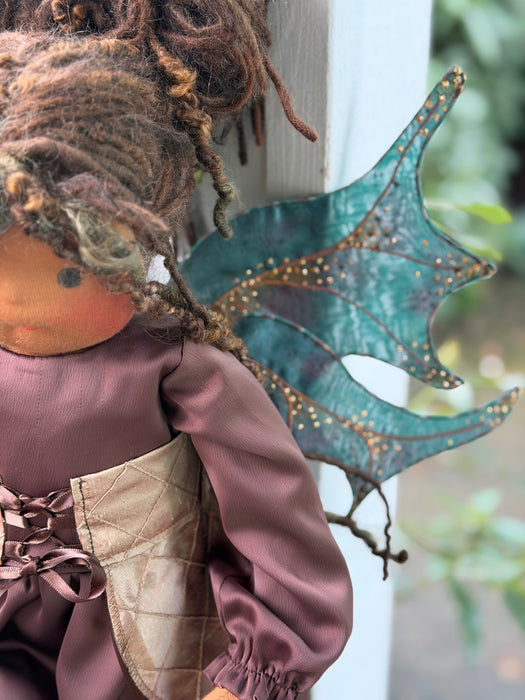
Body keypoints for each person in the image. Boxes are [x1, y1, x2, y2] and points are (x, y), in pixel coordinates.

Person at [0, 2, 353, 699]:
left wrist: (262, 668)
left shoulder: (172, 369)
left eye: (70, 276)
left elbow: (276, 516)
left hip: (134, 643)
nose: (21, 308)